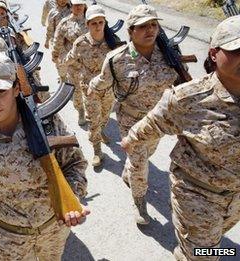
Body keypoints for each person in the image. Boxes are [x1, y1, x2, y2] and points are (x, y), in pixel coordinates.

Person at [122, 15, 240, 261]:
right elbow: (151, 124)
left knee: (213, 243)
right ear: (214, 54)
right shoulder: (188, 99)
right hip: (198, 194)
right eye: (237, 50)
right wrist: (131, 141)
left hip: (236, 196)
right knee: (203, 255)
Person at [0, 52, 90, 260]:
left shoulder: (46, 122)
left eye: (0, 91)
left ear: (15, 89)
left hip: (53, 227)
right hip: (8, 236)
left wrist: (73, 198)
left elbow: (75, 163)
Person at [88, 4, 178, 225]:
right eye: (143, 26)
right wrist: (91, 89)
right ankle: (140, 204)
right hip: (131, 120)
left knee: (147, 154)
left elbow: (180, 85)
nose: (150, 30)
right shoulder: (116, 59)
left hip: (158, 122)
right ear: (130, 31)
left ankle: (128, 170)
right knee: (140, 165)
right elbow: (102, 82)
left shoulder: (168, 53)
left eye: (154, 25)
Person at [63, 4, 116, 166]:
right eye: (94, 23)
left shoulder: (113, 42)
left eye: (101, 22)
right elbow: (68, 60)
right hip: (90, 90)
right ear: (87, 25)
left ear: (105, 23)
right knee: (93, 120)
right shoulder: (80, 43)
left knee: (105, 116)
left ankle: (101, 131)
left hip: (108, 90)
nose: (98, 26)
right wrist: (77, 72)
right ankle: (97, 151)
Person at [52, 0, 88, 125]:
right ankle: (81, 110)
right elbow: (57, 43)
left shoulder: (92, 20)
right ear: (71, 6)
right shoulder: (65, 23)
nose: (78, 7)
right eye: (76, 4)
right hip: (73, 64)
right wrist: (56, 57)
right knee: (77, 90)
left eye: (81, 4)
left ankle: (94, 111)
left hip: (92, 63)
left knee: (92, 90)